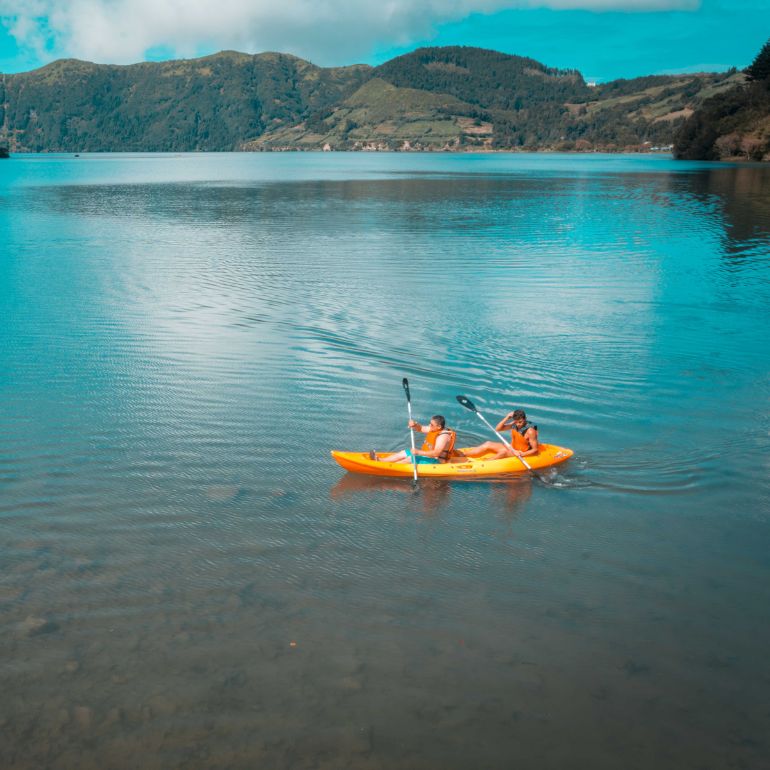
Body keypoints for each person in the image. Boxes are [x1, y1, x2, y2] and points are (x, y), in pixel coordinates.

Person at [372, 415, 457, 465]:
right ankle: (380, 460)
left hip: (437, 461)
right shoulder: (434, 429)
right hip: (428, 456)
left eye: (431, 425)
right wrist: (414, 424)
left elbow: (436, 453)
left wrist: (418, 452)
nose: (429, 426)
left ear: (439, 427)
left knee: (410, 459)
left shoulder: (443, 437)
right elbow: (421, 428)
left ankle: (387, 467)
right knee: (404, 452)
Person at [462, 409, 538, 461]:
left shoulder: (530, 431)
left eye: (520, 422)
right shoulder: (514, 424)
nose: (518, 424)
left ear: (525, 418)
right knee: (488, 443)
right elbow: (498, 429)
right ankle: (463, 455)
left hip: (520, 452)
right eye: (516, 421)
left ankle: (483, 463)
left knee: (503, 453)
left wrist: (522, 454)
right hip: (512, 448)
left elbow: (535, 449)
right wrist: (507, 417)